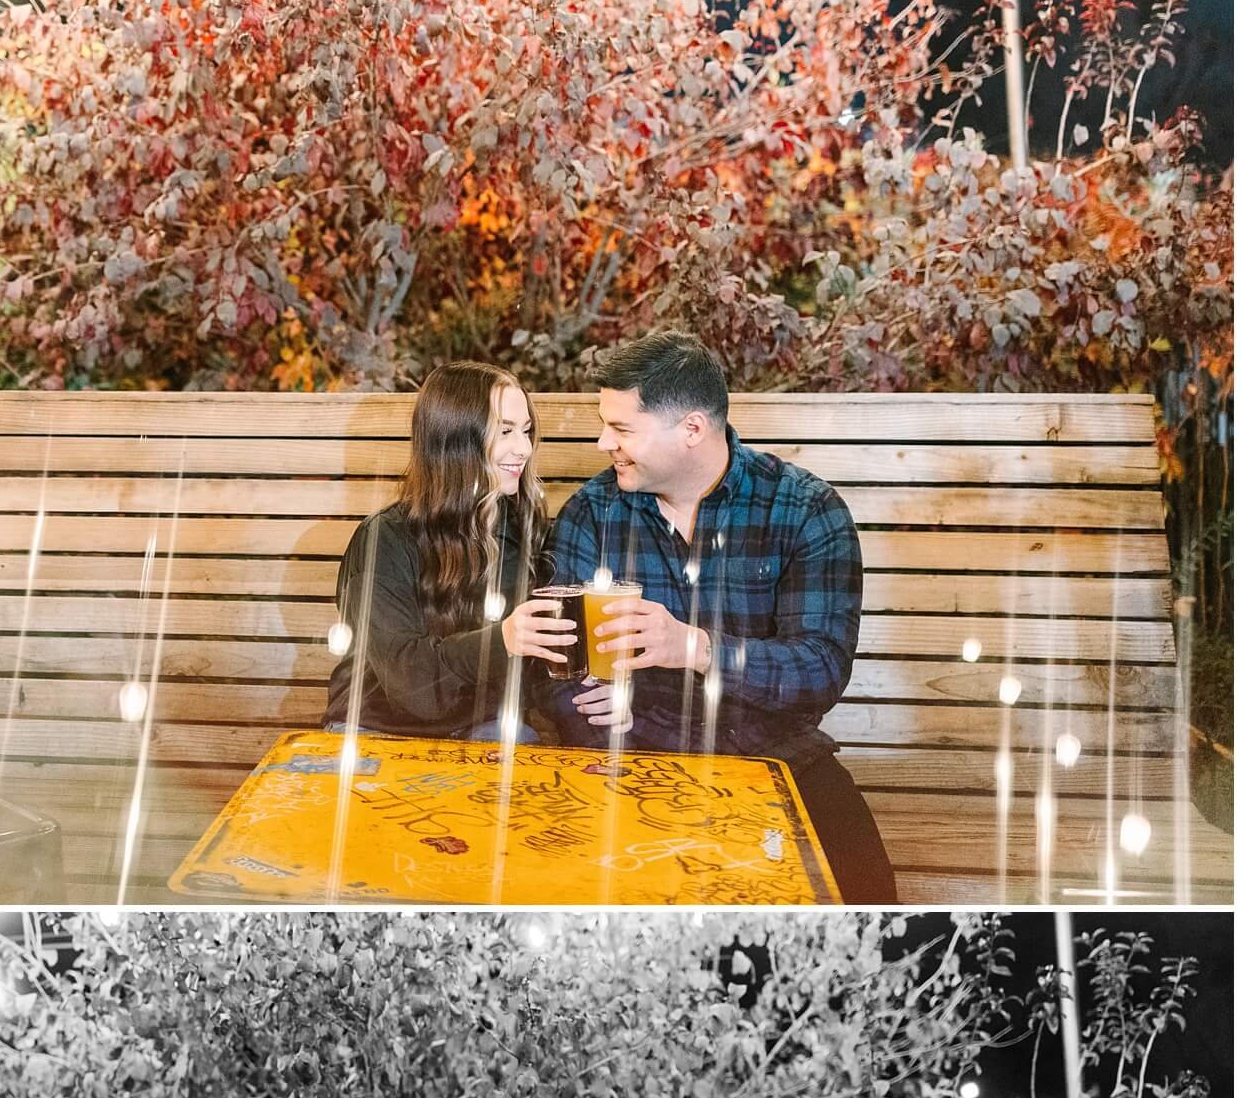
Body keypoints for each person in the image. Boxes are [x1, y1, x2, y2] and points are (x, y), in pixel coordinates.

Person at [543, 329, 897, 903]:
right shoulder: (593, 513)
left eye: (622, 428)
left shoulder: (805, 509)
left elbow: (821, 671)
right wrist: (602, 715)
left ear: (691, 429)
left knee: (867, 896)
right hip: (632, 757)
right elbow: (559, 666)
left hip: (776, 756)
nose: (603, 441)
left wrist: (694, 648)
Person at [322, 362, 615, 743]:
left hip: (481, 729)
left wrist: (589, 682)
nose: (523, 448)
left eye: (526, 431)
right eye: (505, 431)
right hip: (378, 728)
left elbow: (539, 661)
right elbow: (412, 687)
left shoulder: (522, 529)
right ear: (456, 440)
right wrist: (504, 639)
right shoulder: (386, 539)